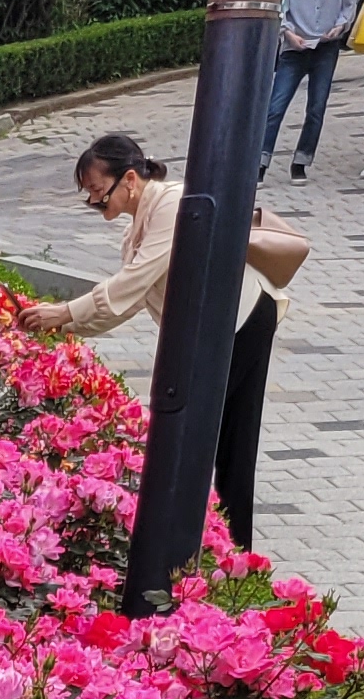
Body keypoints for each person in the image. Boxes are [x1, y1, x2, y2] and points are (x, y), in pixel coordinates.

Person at [18, 132, 300, 552]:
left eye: (98, 189)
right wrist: (63, 326)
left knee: (207, 437)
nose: (94, 200)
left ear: (130, 179)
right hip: (218, 326)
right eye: (89, 193)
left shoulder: (173, 204)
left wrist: (64, 312)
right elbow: (125, 304)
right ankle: (226, 546)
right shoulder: (136, 229)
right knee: (218, 439)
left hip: (241, 319)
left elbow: (131, 282)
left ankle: (215, 546)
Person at [266, 0, 362, 177]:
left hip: (326, 47)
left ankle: (301, 161)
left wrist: (340, 26)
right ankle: (261, 162)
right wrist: (288, 33)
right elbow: (280, 7)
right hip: (294, 47)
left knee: (317, 108)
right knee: (276, 106)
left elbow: (350, 3)